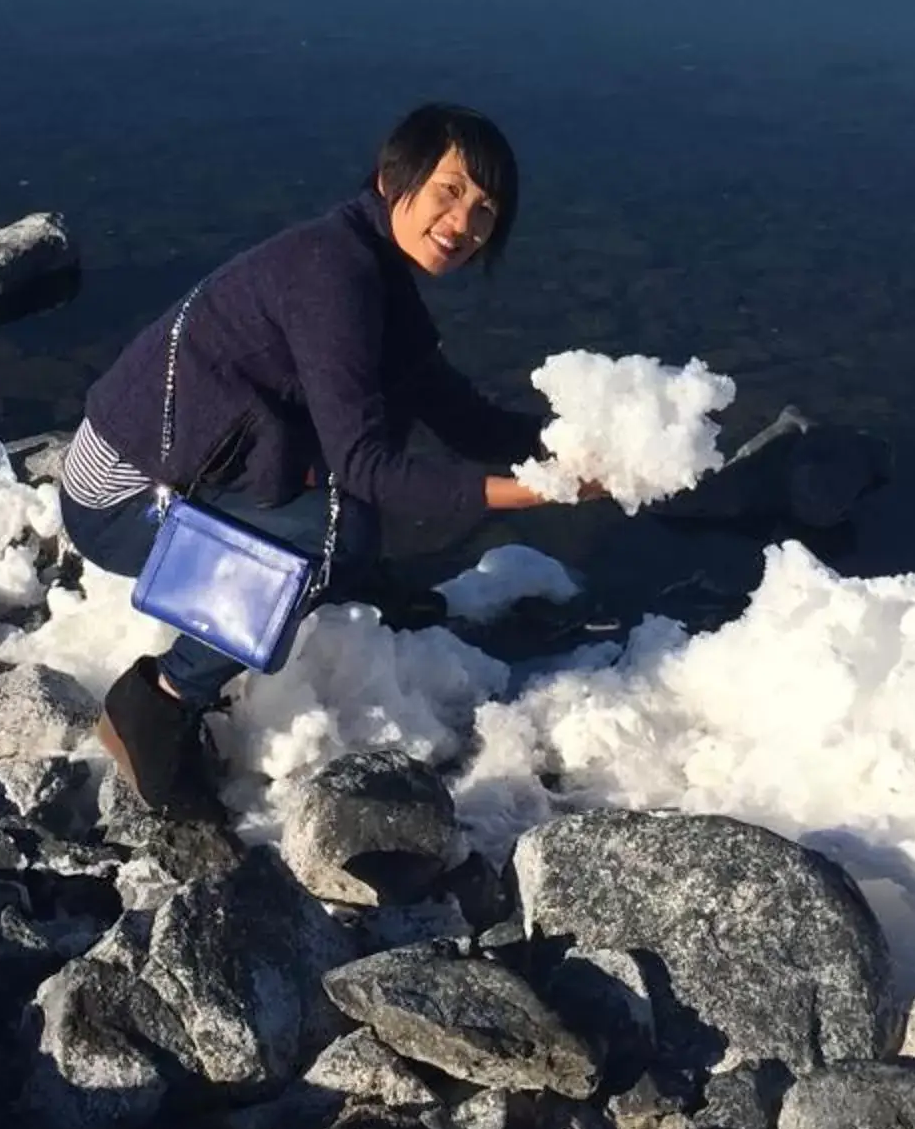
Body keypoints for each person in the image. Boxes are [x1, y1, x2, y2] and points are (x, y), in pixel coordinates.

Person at [56, 102, 590, 814]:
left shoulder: (373, 270)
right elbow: (366, 468)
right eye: (450, 190)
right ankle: (159, 699)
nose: (464, 224)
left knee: (376, 445)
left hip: (180, 470)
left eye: (487, 210)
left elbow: (463, 418)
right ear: (391, 177)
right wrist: (535, 493)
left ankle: (333, 579)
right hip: (117, 499)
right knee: (346, 525)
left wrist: (589, 446)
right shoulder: (333, 273)